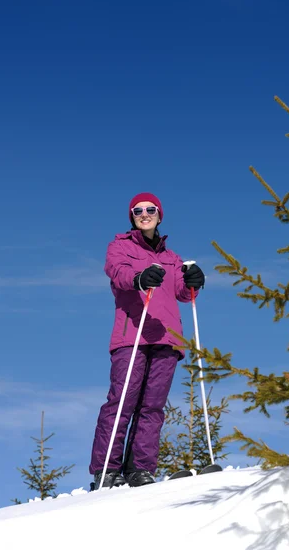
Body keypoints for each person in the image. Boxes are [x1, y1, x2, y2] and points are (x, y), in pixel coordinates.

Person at [89, 192, 205, 488]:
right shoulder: (120, 247)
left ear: (159, 214)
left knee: (152, 406)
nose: (144, 214)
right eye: (138, 210)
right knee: (121, 402)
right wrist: (139, 278)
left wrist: (194, 281)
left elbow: (182, 292)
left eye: (150, 209)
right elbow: (118, 273)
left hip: (167, 338)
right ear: (132, 217)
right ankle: (107, 470)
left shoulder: (171, 258)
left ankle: (140, 469)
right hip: (133, 335)